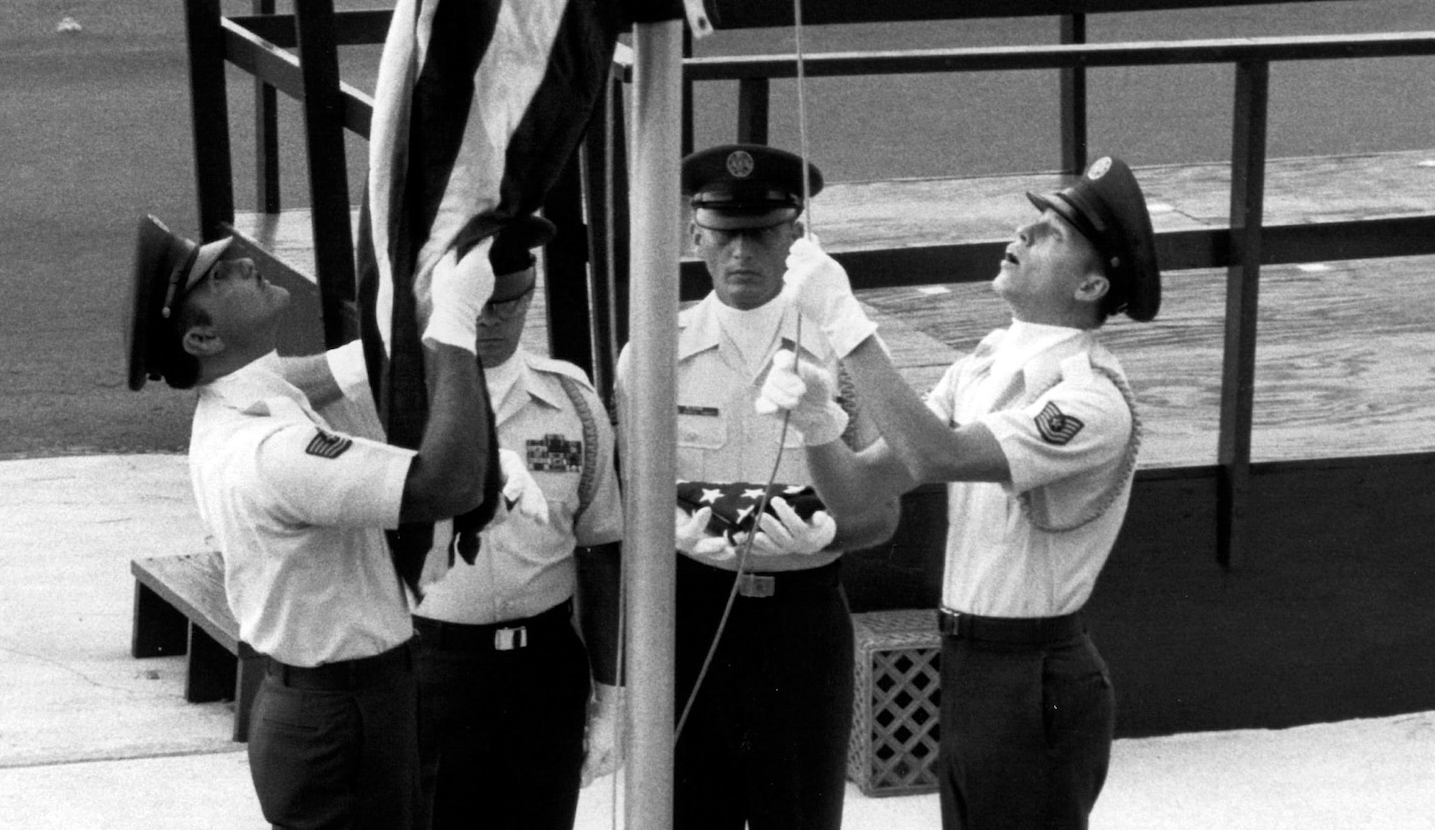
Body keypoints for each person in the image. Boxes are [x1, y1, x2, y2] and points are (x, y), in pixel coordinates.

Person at [764, 156, 1162, 830]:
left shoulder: (1090, 400)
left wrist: (844, 318)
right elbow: (861, 489)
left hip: (1036, 674)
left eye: (1052, 235)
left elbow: (937, 454)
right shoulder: (984, 360)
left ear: (1092, 283)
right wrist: (818, 423)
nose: (1023, 234)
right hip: (970, 663)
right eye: (1031, 222)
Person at [126, 216, 497, 830]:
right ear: (202, 340)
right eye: (221, 277)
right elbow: (448, 484)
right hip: (342, 717)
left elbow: (324, 375)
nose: (245, 262)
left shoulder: (239, 401)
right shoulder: (271, 451)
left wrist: (413, 313)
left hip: (344, 702)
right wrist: (455, 331)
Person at [627, 143, 900, 830]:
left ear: (795, 237)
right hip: (691, 620)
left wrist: (833, 529)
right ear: (696, 236)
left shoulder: (843, 352)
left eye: (762, 233)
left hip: (801, 623)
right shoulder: (654, 353)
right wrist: (664, 529)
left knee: (801, 815)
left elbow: (884, 514)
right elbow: (629, 501)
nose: (741, 253)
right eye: (724, 235)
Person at [412, 223, 625, 830]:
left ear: (531, 295)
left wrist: (611, 698)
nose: (493, 320)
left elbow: (601, 547)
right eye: (480, 304)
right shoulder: (404, 399)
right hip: (437, 664)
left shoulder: (572, 401)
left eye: (511, 303)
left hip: (542, 670)